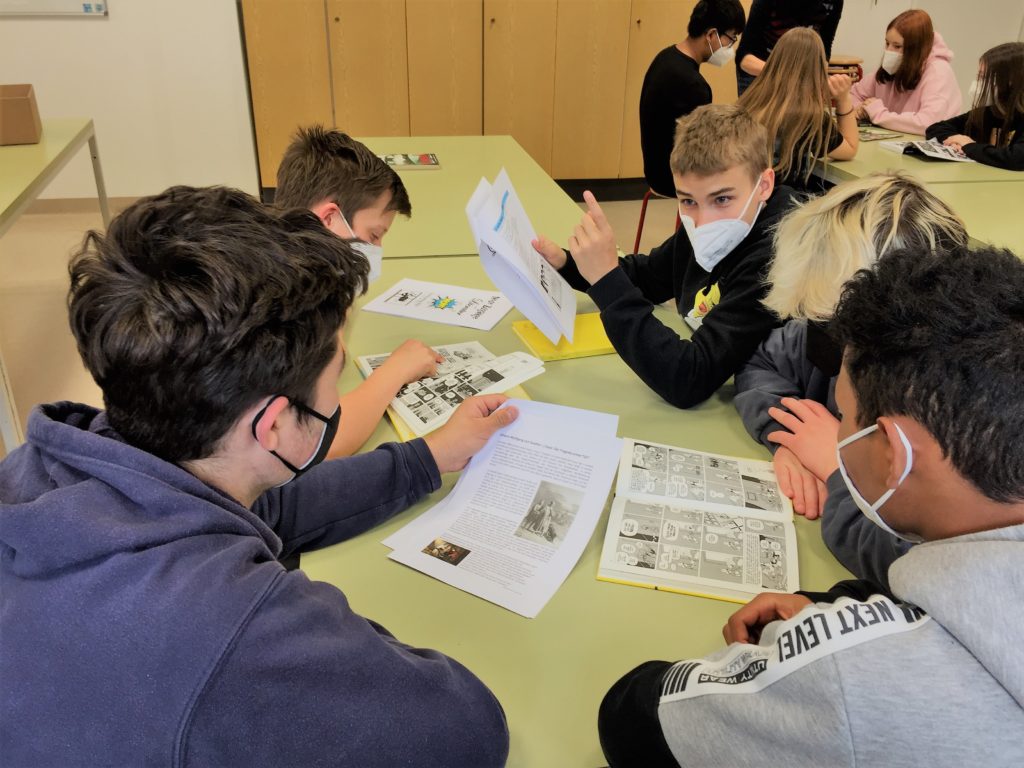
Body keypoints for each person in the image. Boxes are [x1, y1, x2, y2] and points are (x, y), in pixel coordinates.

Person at [0, 186, 515, 766]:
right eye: (335, 375)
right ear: (271, 426)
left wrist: (427, 456)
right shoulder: (234, 630)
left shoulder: (49, 468)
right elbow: (466, 730)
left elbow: (267, 506)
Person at [598, 244, 1024, 767]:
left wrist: (825, 641)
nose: (836, 430)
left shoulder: (856, 681)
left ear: (894, 453)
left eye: (842, 415)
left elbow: (634, 717)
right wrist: (834, 602)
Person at [733, 173, 967, 586]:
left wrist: (837, 467)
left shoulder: (956, 418)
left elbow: (928, 570)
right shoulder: (825, 329)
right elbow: (761, 360)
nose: (835, 350)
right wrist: (790, 437)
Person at [532, 104, 798, 409]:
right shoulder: (705, 223)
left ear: (764, 185)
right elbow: (649, 277)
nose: (703, 221)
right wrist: (569, 264)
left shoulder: (776, 260)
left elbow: (690, 379)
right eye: (688, 201)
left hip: (748, 407)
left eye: (722, 199)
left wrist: (607, 282)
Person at [276, 125, 443, 457]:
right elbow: (313, 444)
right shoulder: (285, 309)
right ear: (329, 219)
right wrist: (396, 371)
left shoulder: (295, 265)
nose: (376, 250)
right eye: (374, 235)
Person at [639, 0, 746, 197]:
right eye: (731, 39)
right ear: (711, 35)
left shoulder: (665, 57)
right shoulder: (693, 85)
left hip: (654, 170)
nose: (730, 48)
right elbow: (699, 152)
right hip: (671, 178)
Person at [737, 27, 858, 191]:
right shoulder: (808, 117)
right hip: (782, 201)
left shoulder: (748, 103)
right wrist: (843, 99)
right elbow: (850, 149)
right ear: (818, 68)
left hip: (748, 197)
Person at [850, 10, 961, 135]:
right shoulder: (892, 67)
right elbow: (854, 94)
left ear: (916, 48)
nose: (889, 51)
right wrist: (860, 109)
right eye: (887, 43)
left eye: (897, 46)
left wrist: (878, 113)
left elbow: (929, 123)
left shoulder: (938, 72)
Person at [926, 42, 1024, 171]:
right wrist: (957, 141)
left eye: (984, 78)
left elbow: (1016, 159)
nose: (978, 84)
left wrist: (969, 146)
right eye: (979, 77)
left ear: (1011, 81)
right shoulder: (990, 112)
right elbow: (936, 128)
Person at [735, 0, 844, 95]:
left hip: (799, 79)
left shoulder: (833, 2)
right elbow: (743, 57)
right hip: (759, 73)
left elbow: (824, 49)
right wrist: (787, 76)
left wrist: (817, 79)